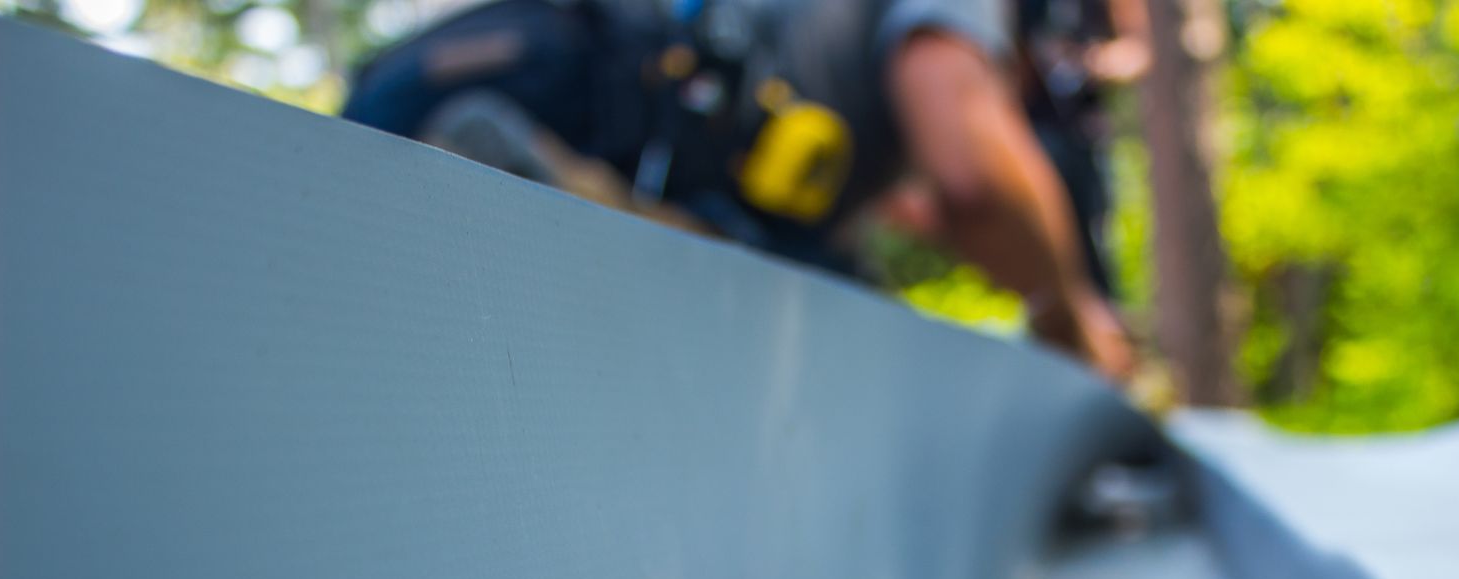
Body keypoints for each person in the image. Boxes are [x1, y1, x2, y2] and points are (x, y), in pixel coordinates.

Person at [342, 0, 1133, 380]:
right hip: (645, 145)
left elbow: (941, 208)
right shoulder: (964, 19)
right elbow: (975, 175)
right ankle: (565, 195)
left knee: (853, 301)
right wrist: (1068, 314)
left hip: (710, 170)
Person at [1016, 0, 1149, 298]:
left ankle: (1100, 328)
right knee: (1038, 254)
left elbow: (1137, 51)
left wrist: (1091, 63)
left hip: (1084, 139)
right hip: (1029, 139)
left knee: (1094, 258)